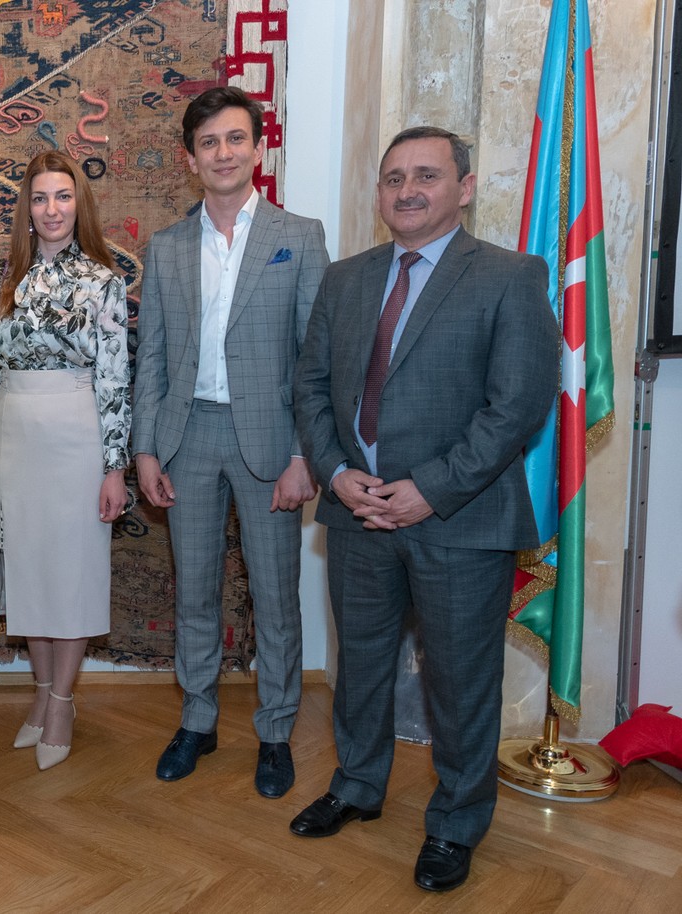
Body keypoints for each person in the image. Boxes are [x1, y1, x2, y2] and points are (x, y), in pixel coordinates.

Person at [290, 126, 560, 893]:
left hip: (459, 520)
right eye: (394, 178)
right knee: (359, 666)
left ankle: (457, 822)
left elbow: (518, 407)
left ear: (464, 188)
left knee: (460, 681)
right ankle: (357, 785)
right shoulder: (345, 279)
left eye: (426, 175)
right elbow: (311, 388)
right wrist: (337, 473)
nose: (407, 190)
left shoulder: (510, 276)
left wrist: (430, 490)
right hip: (356, 514)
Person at [132, 86, 328, 795]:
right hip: (188, 439)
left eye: (235, 138)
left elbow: (315, 358)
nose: (223, 153)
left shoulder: (299, 236)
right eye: (209, 142)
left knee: (275, 596)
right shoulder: (167, 247)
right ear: (191, 159)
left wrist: (305, 455)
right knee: (195, 593)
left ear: (258, 149)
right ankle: (198, 720)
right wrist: (146, 449)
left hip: (272, 443)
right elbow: (152, 356)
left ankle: (275, 732)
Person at [0, 152, 131, 771]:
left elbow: (115, 377)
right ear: (27, 208)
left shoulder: (104, 281)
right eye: (40, 198)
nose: (52, 209)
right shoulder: (1, 280)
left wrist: (115, 465)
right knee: (27, 569)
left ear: (79, 204)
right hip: (9, 434)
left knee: (71, 570)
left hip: (77, 434)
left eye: (63, 197)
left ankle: (64, 702)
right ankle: (41, 695)